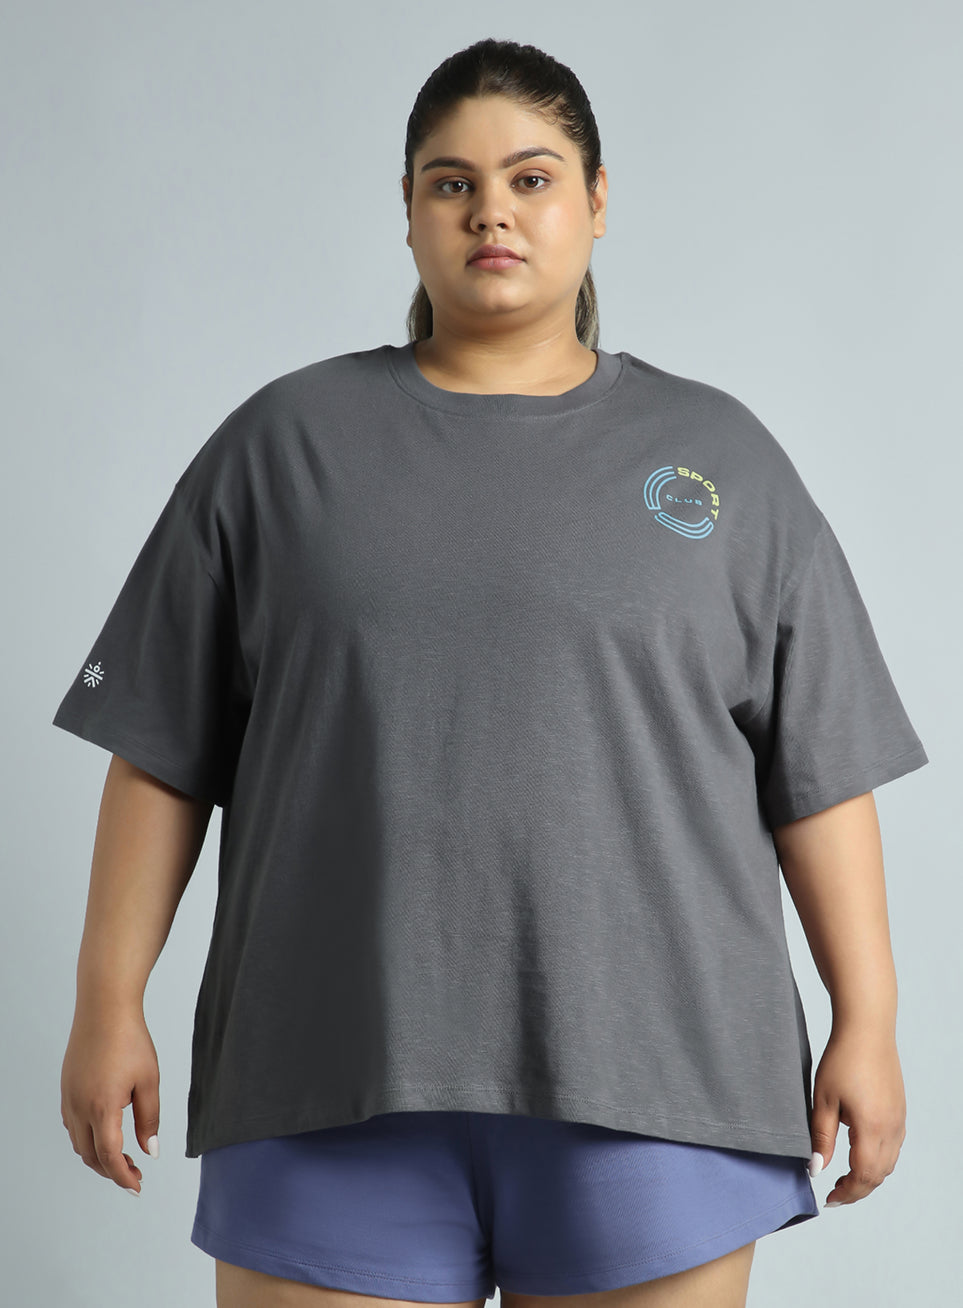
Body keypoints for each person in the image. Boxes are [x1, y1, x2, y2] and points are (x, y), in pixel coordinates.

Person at [54, 37, 928, 1308]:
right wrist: (106, 1002)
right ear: (408, 211)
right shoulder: (280, 448)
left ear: (598, 199)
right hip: (328, 1072)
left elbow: (821, 771)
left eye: (531, 177)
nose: (492, 213)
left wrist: (869, 1021)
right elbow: (162, 750)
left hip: (660, 1085)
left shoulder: (722, 460)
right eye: (452, 184)